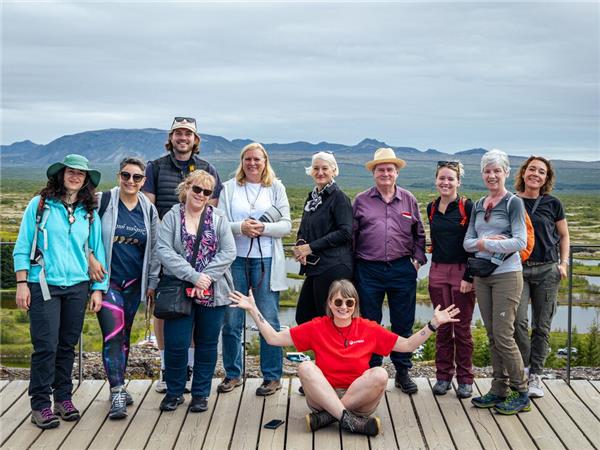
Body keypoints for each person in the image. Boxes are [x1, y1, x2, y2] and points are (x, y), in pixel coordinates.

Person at [229, 279, 460, 436]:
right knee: (306, 367)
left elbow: (407, 345)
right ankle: (348, 420)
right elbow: (273, 338)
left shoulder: (369, 328)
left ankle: (329, 417)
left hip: (360, 400)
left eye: (349, 302)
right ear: (330, 303)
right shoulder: (317, 327)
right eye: (338, 301)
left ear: (355, 305)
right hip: (322, 396)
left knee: (380, 373)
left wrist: (433, 324)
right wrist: (252, 309)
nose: (343, 307)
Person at [13, 154, 108, 429]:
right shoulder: (40, 205)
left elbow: (97, 252)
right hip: (44, 283)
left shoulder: (88, 212)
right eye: (71, 171)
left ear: (87, 180)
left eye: (81, 173)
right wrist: (21, 284)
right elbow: (23, 245)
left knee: (66, 345)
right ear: (61, 174)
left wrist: (98, 289)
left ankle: (63, 398)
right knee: (45, 346)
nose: (76, 176)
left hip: (77, 286)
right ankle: (41, 404)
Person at [143, 116, 223, 393]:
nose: (183, 138)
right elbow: (149, 207)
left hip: (200, 255)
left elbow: (211, 211)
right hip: (165, 247)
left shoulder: (207, 169)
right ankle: (167, 369)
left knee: (194, 308)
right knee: (166, 308)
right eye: (178, 133)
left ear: (195, 139)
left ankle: (187, 368)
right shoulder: (155, 167)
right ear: (171, 136)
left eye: (188, 134)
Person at [156, 170, 235, 412]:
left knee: (207, 343)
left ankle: (201, 393)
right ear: (186, 188)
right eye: (197, 189)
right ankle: (174, 391)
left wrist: (207, 278)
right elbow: (163, 250)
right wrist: (194, 277)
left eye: (206, 191)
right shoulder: (172, 217)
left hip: (214, 291)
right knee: (176, 343)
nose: (201, 194)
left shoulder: (219, 218)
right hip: (180, 289)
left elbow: (228, 252)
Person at [89, 157, 160, 419]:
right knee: (113, 334)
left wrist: (152, 282)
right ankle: (118, 389)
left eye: (137, 177)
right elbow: (81, 233)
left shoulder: (148, 209)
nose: (131, 181)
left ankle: (117, 382)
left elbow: (155, 250)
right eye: (126, 175)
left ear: (143, 180)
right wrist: (89, 257)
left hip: (134, 283)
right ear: (119, 176)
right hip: (107, 280)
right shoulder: (102, 200)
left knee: (126, 334)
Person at [218, 143, 292, 396]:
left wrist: (262, 229)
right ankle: (232, 373)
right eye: (248, 159)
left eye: (257, 159)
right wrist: (241, 228)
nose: (252, 163)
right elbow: (219, 223)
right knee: (231, 320)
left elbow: (285, 226)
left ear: (265, 161)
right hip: (235, 259)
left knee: (268, 318)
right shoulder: (229, 188)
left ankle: (272, 376)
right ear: (242, 161)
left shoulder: (276, 187)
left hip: (266, 260)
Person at [352, 147, 427, 394]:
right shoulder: (361, 200)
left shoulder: (409, 199)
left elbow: (419, 234)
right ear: (374, 173)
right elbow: (352, 236)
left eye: (390, 169)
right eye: (380, 169)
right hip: (368, 270)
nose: (385, 173)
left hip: (401, 269)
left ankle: (402, 372)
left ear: (397, 173)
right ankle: (373, 372)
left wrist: (416, 260)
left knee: (402, 322)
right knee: (370, 323)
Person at [464, 149, 529, 415]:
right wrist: (488, 242)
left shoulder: (514, 203)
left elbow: (520, 242)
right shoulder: (479, 205)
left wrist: (483, 244)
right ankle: (498, 388)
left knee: (504, 335)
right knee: (492, 335)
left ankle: (521, 391)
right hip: (483, 276)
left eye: (496, 170)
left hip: (507, 275)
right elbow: (467, 243)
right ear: (482, 174)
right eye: (487, 171)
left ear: (506, 173)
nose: (492, 175)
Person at [513, 156, 570, 398]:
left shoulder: (553, 203)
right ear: (524, 173)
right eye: (532, 169)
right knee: (518, 323)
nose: (536, 174)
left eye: (542, 171)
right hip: (518, 269)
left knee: (542, 326)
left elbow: (564, 235)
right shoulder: (512, 202)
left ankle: (536, 375)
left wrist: (563, 263)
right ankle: (523, 369)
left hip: (548, 270)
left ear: (546, 178)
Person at [426, 161, 476, 398]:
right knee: (442, 325)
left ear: (458, 182)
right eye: (441, 178)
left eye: (450, 179)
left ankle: (465, 379)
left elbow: (476, 243)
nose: (445, 182)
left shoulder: (467, 206)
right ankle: (443, 377)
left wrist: (470, 275)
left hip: (461, 271)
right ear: (436, 180)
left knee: (462, 327)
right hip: (437, 270)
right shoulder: (432, 207)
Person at [293, 151, 353, 324]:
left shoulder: (339, 198)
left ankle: (333, 352)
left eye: (325, 168)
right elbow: (304, 229)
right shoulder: (312, 199)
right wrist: (300, 247)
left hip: (334, 267)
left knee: (328, 319)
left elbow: (345, 232)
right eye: (316, 168)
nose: (320, 172)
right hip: (315, 267)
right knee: (304, 317)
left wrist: (311, 247)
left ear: (334, 170)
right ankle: (320, 351)